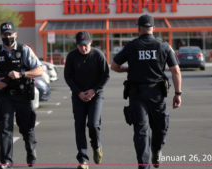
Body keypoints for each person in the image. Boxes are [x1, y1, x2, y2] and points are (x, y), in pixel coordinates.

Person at [111, 14, 182, 169]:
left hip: (137, 94)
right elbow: (175, 71)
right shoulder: (164, 46)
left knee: (141, 132)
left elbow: (114, 66)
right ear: (153, 29)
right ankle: (156, 151)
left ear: (138, 28)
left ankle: (145, 165)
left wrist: (129, 68)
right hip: (157, 94)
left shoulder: (131, 46)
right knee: (160, 127)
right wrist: (178, 94)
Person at [0, 21, 43, 169]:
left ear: (15, 34)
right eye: (4, 34)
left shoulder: (25, 50)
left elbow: (39, 71)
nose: (7, 37)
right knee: (5, 128)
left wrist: (21, 73)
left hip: (23, 95)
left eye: (10, 34)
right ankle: (6, 161)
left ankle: (31, 151)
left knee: (26, 128)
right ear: (0, 36)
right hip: (5, 96)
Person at [64, 31, 110, 169]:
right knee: (79, 126)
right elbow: (68, 76)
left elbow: (106, 75)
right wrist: (78, 93)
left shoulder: (98, 55)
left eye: (85, 45)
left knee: (93, 124)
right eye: (79, 45)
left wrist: (94, 90)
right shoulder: (72, 56)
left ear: (90, 42)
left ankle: (97, 146)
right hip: (78, 96)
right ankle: (83, 160)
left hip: (96, 95)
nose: (83, 48)